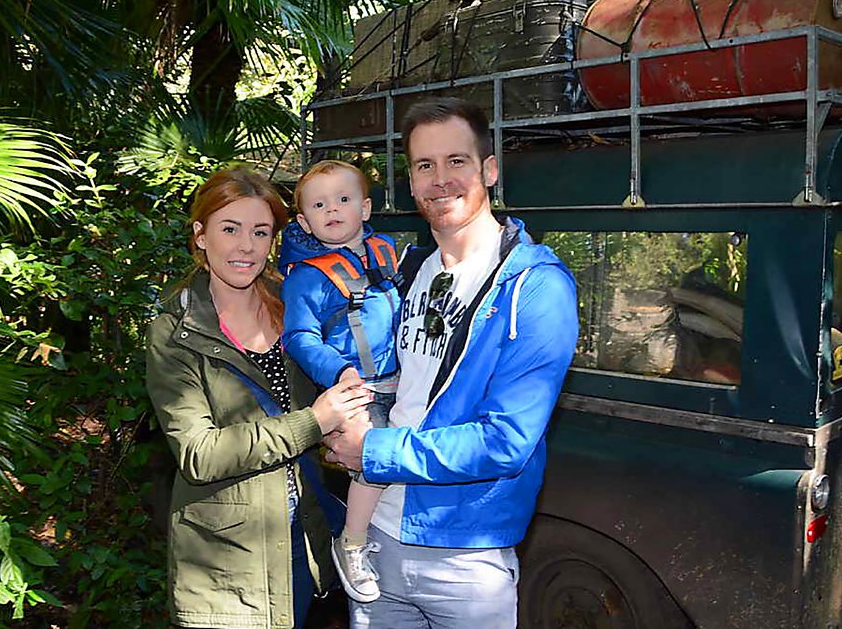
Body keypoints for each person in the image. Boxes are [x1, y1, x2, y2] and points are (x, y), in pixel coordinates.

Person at [324, 97, 580, 628]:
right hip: (374, 541)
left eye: (456, 161)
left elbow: (506, 440)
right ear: (411, 182)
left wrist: (372, 450)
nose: (440, 180)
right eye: (425, 165)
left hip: (464, 559)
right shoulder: (409, 270)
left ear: (489, 169)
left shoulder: (534, 288)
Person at [146, 166, 372, 629]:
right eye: (230, 229)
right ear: (201, 235)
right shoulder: (176, 330)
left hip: (305, 538)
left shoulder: (293, 304)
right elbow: (199, 454)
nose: (246, 246)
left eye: (260, 232)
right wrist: (314, 421)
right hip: (228, 561)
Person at [278, 160, 402, 604]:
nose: (332, 209)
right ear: (303, 221)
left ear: (364, 208)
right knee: (372, 459)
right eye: (319, 204)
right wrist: (337, 371)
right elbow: (298, 336)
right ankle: (351, 543)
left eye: (343, 199)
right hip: (353, 388)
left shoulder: (387, 255)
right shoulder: (308, 277)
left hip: (401, 381)